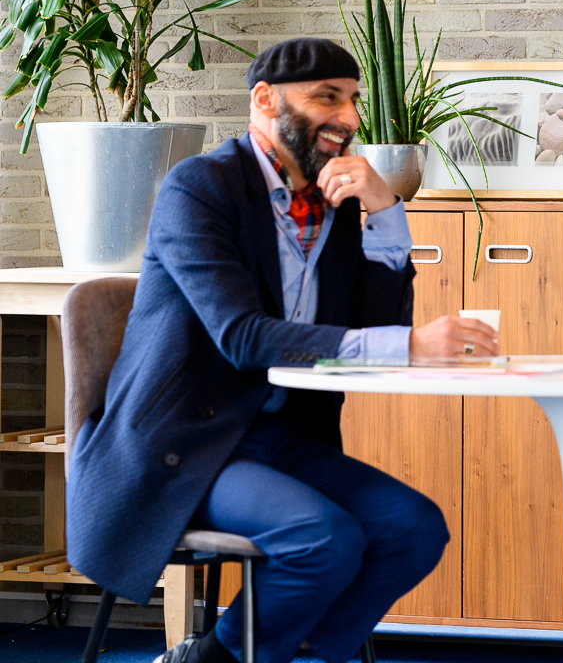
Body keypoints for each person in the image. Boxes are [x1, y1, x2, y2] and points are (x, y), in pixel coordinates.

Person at [66, 38, 501, 663]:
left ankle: (256, 652)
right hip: (187, 442)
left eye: (352, 100)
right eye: (327, 97)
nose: (349, 119)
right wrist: (409, 345)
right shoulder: (200, 187)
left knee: (413, 529)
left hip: (287, 435)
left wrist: (384, 213)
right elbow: (243, 337)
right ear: (265, 100)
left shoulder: (336, 203)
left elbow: (371, 325)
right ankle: (223, 657)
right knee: (321, 540)